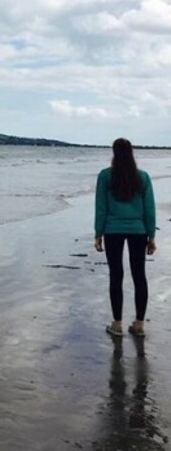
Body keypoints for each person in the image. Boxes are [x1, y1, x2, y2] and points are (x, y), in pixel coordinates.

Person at [94, 138, 156, 337]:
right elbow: (149, 209)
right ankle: (139, 325)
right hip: (138, 231)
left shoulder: (105, 176)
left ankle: (117, 324)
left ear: (113, 153)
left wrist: (98, 233)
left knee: (116, 275)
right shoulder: (142, 177)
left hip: (112, 230)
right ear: (132, 153)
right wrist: (152, 235)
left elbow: (101, 208)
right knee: (139, 275)